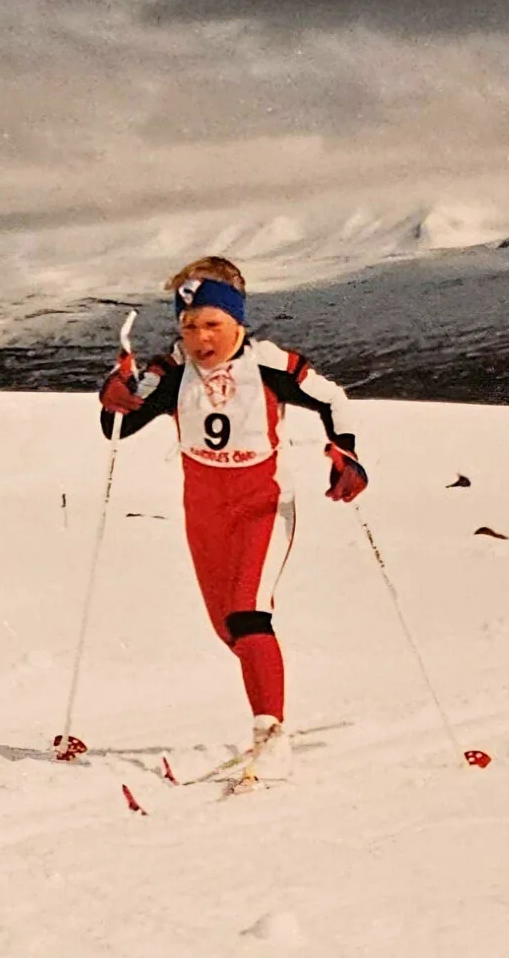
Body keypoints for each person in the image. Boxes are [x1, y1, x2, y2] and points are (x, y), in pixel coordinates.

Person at [99, 256, 368, 780]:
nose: (201, 337)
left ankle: (270, 734)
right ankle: (269, 695)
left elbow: (333, 400)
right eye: (189, 324)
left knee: (248, 614)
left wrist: (346, 454)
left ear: (238, 321)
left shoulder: (268, 364)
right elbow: (119, 425)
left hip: (261, 504)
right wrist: (114, 395)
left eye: (212, 324)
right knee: (229, 628)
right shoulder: (171, 372)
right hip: (203, 509)